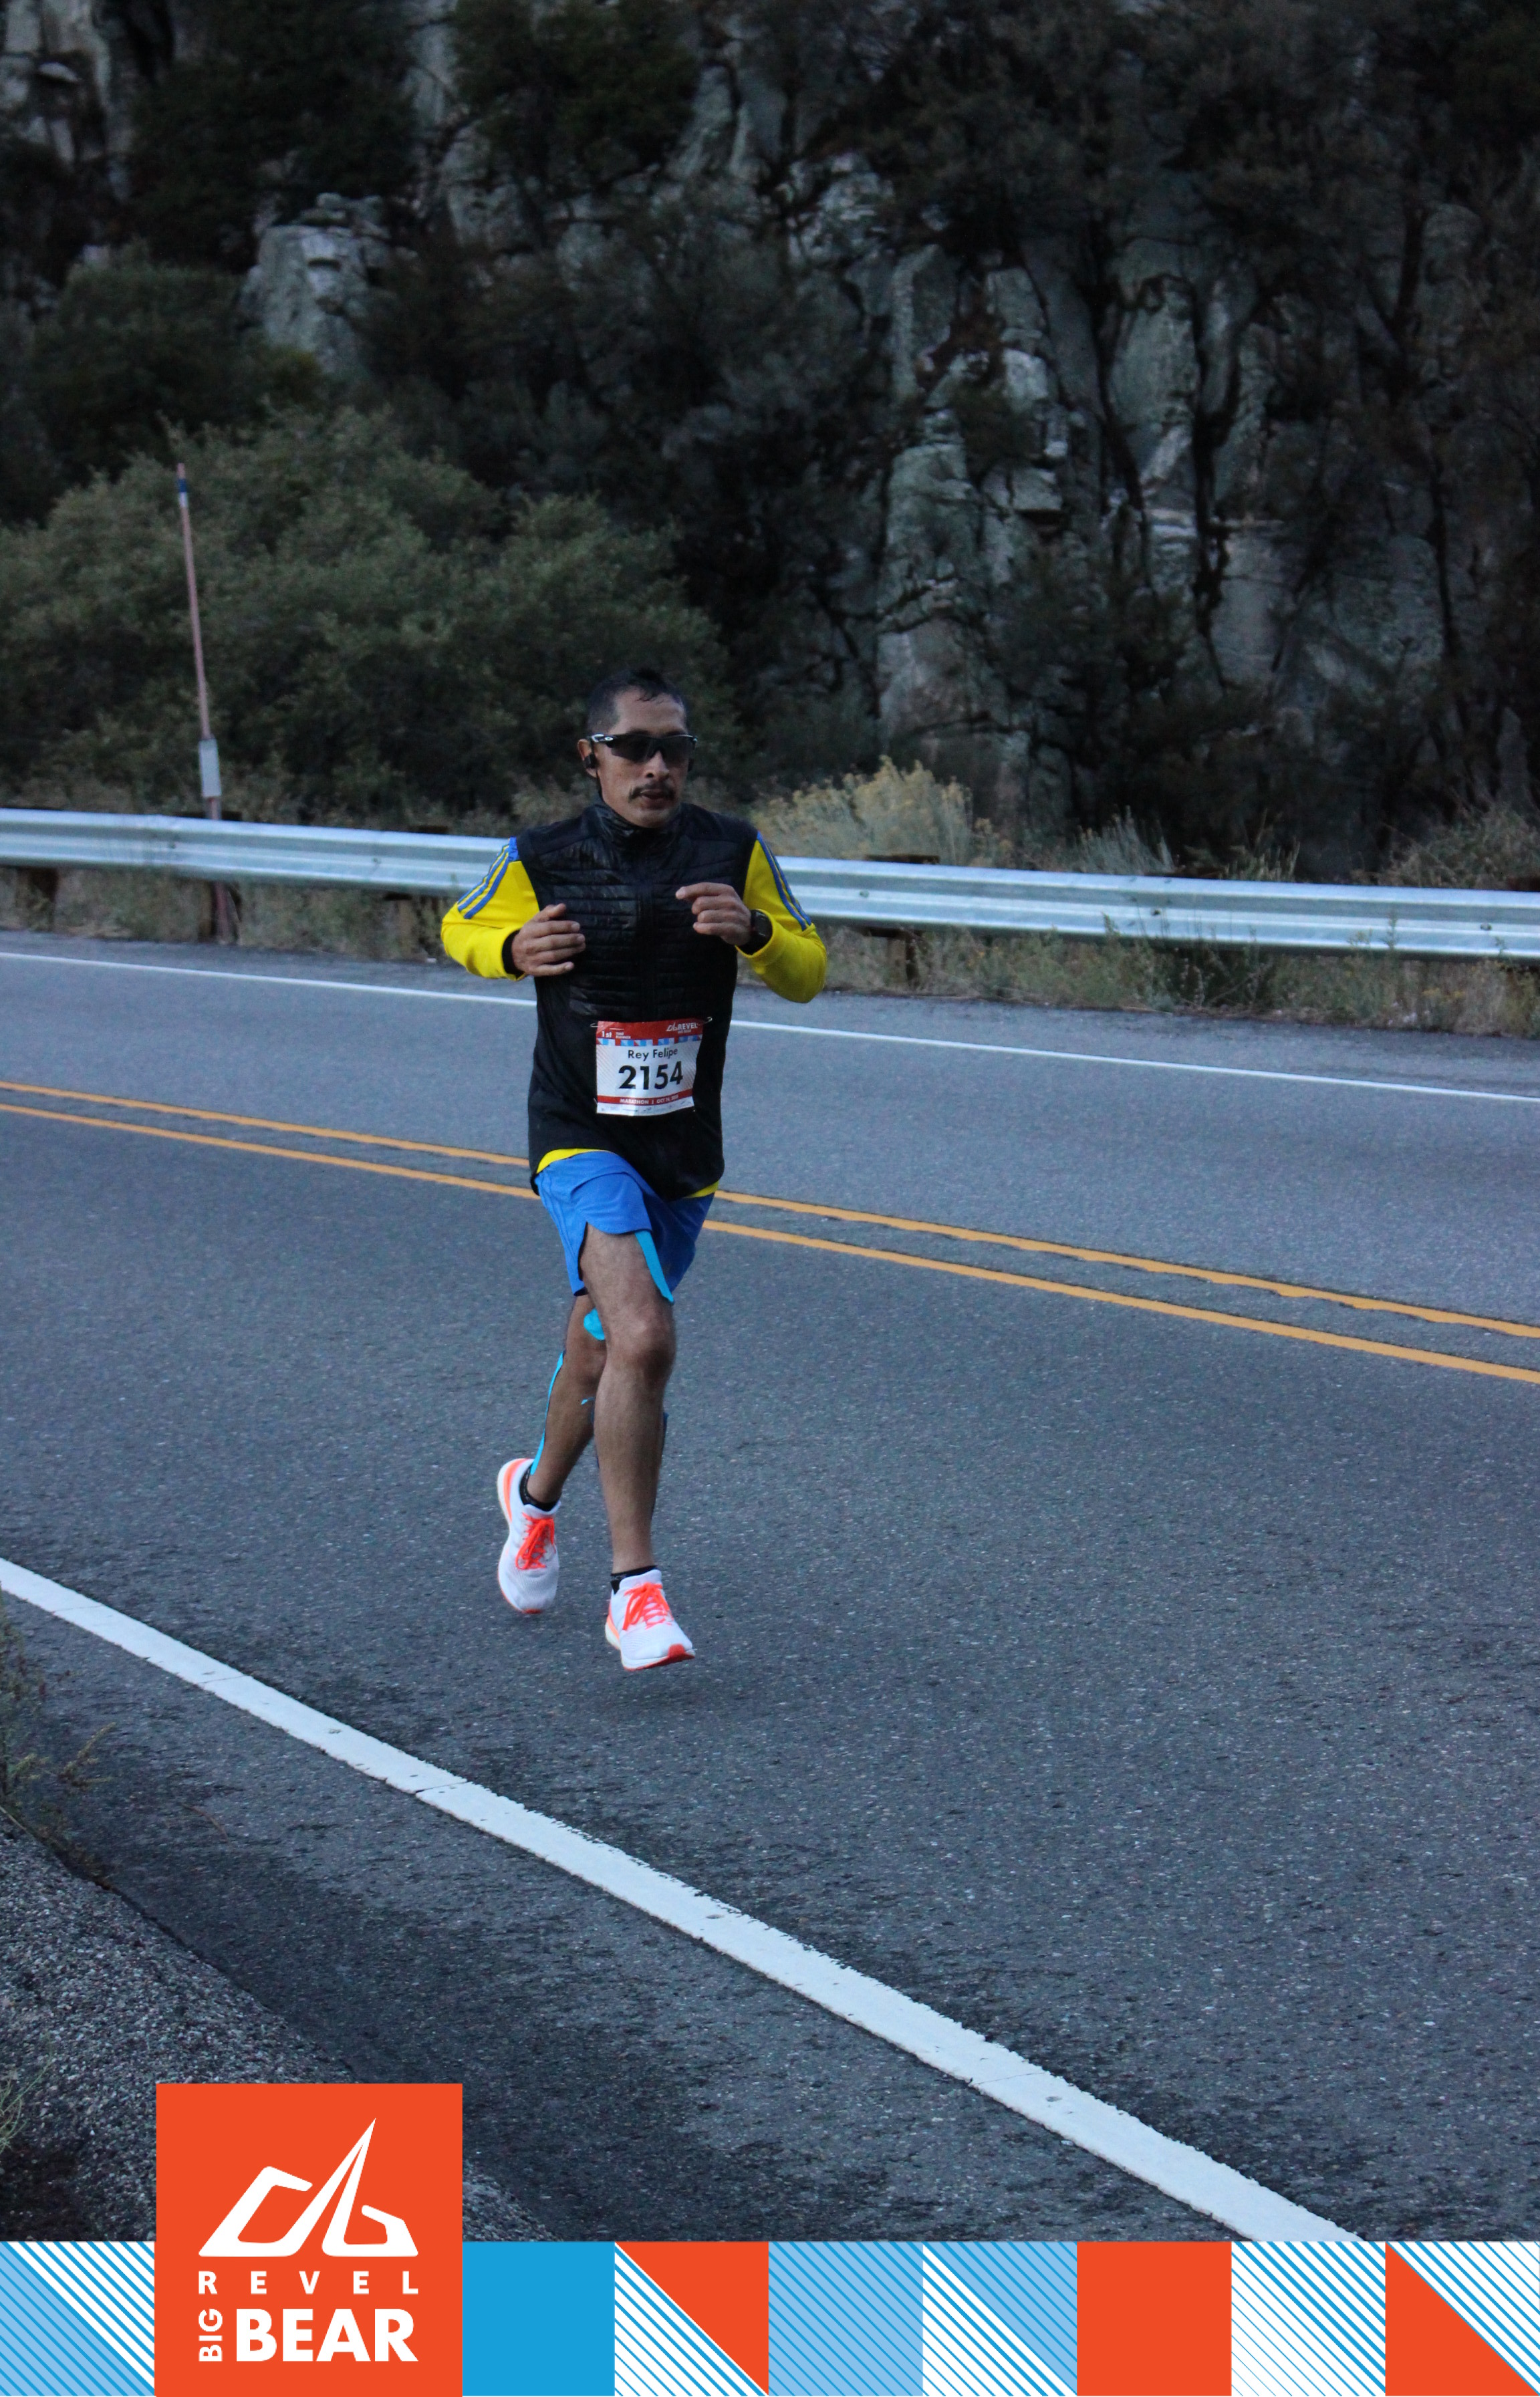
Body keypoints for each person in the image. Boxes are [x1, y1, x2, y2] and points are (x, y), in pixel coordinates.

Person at [440, 668, 827, 1670]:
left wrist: (758, 934)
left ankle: (533, 1499)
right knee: (645, 1337)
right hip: (579, 1135)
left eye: (675, 749)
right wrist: (510, 949)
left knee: (601, 1348)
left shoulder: (732, 849)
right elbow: (459, 926)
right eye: (634, 748)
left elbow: (810, 969)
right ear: (592, 757)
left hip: (683, 1153)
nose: (657, 767)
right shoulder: (541, 856)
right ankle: (636, 1590)